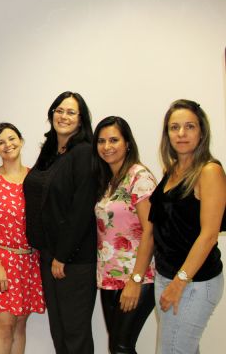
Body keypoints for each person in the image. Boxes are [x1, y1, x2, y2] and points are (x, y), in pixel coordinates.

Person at [22, 91, 97, 354]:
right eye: (59, 110)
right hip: (49, 254)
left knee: (75, 334)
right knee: (59, 331)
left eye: (71, 112)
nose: (64, 116)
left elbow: (81, 209)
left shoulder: (85, 152)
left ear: (81, 119)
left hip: (73, 259)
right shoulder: (50, 151)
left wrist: (62, 255)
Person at [149, 99, 225, 353]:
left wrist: (179, 282)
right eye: (174, 127)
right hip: (166, 276)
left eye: (189, 126)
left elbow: (209, 235)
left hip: (194, 282)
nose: (181, 133)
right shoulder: (172, 170)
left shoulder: (209, 171)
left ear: (201, 132)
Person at [0, 123, 45, 354]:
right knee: (4, 327)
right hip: (1, 261)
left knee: (20, 327)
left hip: (29, 263)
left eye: (12, 139)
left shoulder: (36, 178)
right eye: (0, 142)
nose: (7, 145)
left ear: (21, 141)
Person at [92, 116, 156, 354]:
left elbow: (151, 230)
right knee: (118, 347)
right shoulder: (108, 181)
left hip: (138, 277)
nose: (106, 146)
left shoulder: (139, 177)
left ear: (127, 143)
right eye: (101, 141)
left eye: (113, 140)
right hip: (110, 277)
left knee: (121, 347)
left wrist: (135, 281)